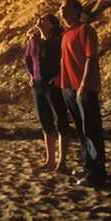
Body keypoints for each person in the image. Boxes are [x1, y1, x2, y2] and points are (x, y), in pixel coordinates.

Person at [58, 0, 107, 187]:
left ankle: (97, 174)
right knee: (81, 130)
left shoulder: (85, 30)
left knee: (91, 130)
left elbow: (91, 58)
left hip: (83, 88)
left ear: (76, 10)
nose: (60, 10)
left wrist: (84, 85)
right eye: (60, 7)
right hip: (69, 88)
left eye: (64, 7)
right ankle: (88, 168)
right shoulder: (66, 33)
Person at [23, 13, 70, 172]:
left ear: (51, 24)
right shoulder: (34, 40)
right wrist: (31, 76)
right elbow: (27, 59)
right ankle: (50, 161)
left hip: (54, 84)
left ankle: (61, 163)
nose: (38, 20)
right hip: (38, 85)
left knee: (61, 121)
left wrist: (60, 75)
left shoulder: (59, 39)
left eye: (43, 19)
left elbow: (67, 58)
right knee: (45, 121)